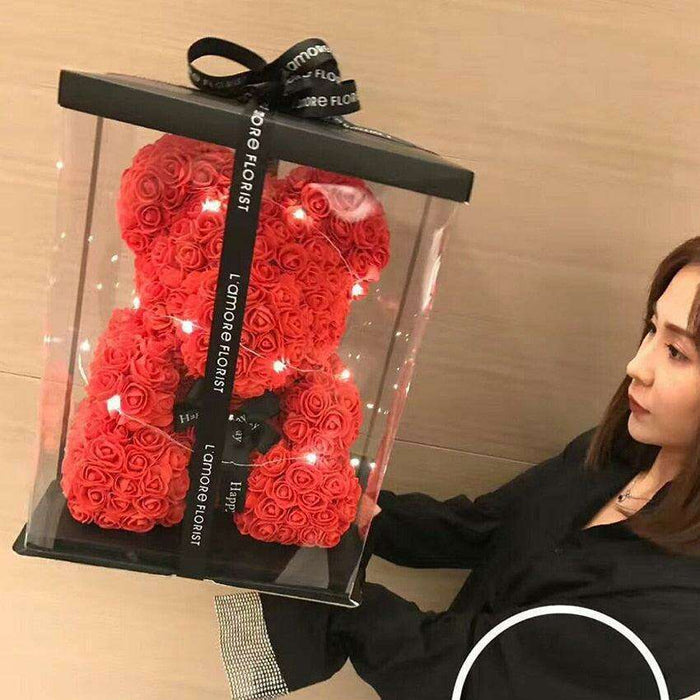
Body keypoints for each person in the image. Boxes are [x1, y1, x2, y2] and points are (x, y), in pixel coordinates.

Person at [213, 237, 700, 700]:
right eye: (652, 329)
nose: (637, 365)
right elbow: (479, 526)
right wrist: (331, 501)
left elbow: (469, 678)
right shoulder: (612, 453)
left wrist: (333, 605)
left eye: (677, 352)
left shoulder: (681, 611)